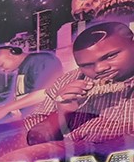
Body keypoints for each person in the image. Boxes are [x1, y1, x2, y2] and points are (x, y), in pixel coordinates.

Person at [18, 21, 134, 151]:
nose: (100, 68)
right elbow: (35, 140)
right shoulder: (66, 82)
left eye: (111, 56)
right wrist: (62, 113)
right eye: (86, 65)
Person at [0, 44, 66, 99]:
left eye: (1, 65)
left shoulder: (40, 61)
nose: (2, 70)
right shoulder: (24, 67)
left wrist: (7, 108)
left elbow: (45, 92)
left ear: (13, 53)